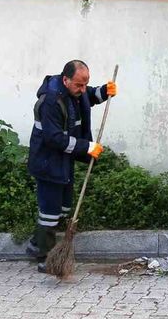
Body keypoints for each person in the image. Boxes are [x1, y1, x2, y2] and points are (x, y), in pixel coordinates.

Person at [26, 60, 116, 272]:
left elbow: (88, 96)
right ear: (65, 80)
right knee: (50, 212)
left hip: (64, 159)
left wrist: (104, 91)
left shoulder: (74, 91)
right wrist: (87, 147)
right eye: (79, 85)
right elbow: (54, 138)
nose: (83, 89)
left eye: (85, 84)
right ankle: (45, 258)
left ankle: (36, 244)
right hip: (47, 161)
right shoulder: (51, 102)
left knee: (63, 207)